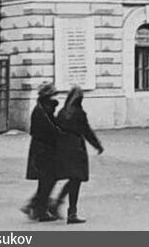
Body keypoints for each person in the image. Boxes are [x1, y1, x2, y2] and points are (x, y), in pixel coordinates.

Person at [48, 86, 103, 224]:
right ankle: (71, 212)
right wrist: (97, 145)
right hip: (76, 148)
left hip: (63, 148)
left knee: (72, 179)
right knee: (76, 179)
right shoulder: (79, 113)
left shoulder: (62, 112)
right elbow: (87, 131)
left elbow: (55, 130)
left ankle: (57, 204)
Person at [23, 82, 63, 222]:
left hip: (45, 149)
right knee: (47, 179)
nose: (55, 97)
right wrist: (62, 135)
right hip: (43, 150)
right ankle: (39, 209)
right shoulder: (41, 111)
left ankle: (36, 205)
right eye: (53, 95)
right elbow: (49, 129)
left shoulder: (46, 108)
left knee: (48, 179)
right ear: (47, 96)